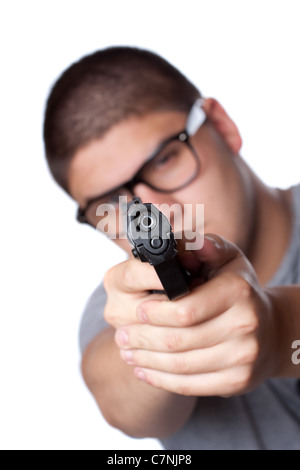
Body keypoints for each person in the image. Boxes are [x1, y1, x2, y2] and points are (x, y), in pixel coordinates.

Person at [43, 46, 300, 450]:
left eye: (164, 160)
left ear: (221, 125)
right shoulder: (118, 308)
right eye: (111, 203)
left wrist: (281, 331)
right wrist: (148, 342)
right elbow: (119, 402)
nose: (159, 212)